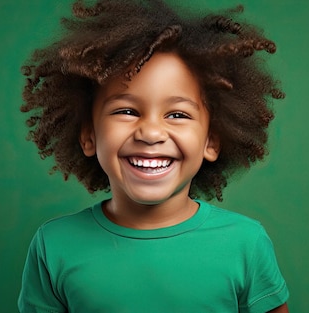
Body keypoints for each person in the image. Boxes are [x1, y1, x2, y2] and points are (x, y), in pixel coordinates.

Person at [18, 0, 289, 312]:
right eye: (127, 111)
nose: (150, 132)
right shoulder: (54, 245)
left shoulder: (246, 244)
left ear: (211, 141)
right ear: (88, 135)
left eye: (177, 114)